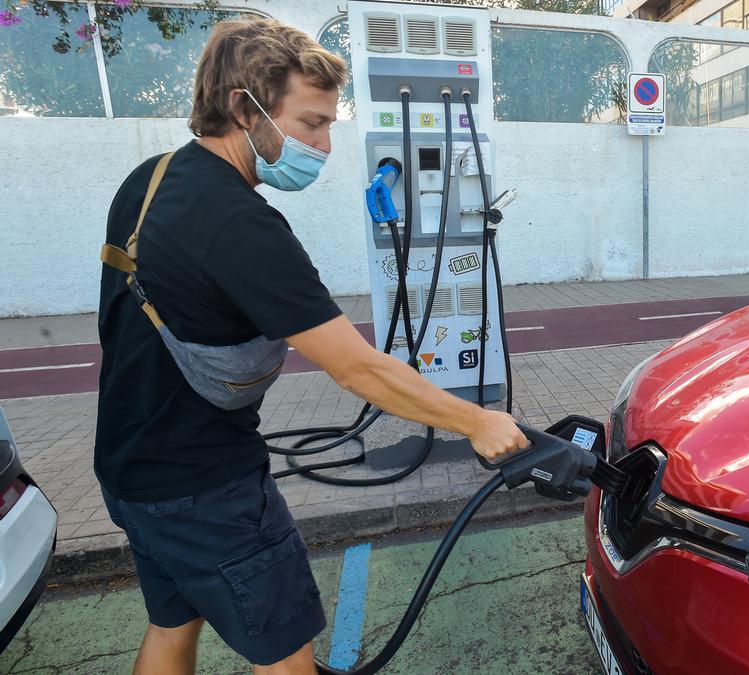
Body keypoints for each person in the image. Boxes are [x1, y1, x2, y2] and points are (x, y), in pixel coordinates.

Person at [94, 17, 527, 675]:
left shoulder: (148, 180)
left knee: (172, 625)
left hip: (129, 469)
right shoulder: (242, 226)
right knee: (287, 655)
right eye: (311, 123)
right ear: (244, 107)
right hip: (206, 485)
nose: (325, 144)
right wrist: (476, 419)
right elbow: (356, 368)